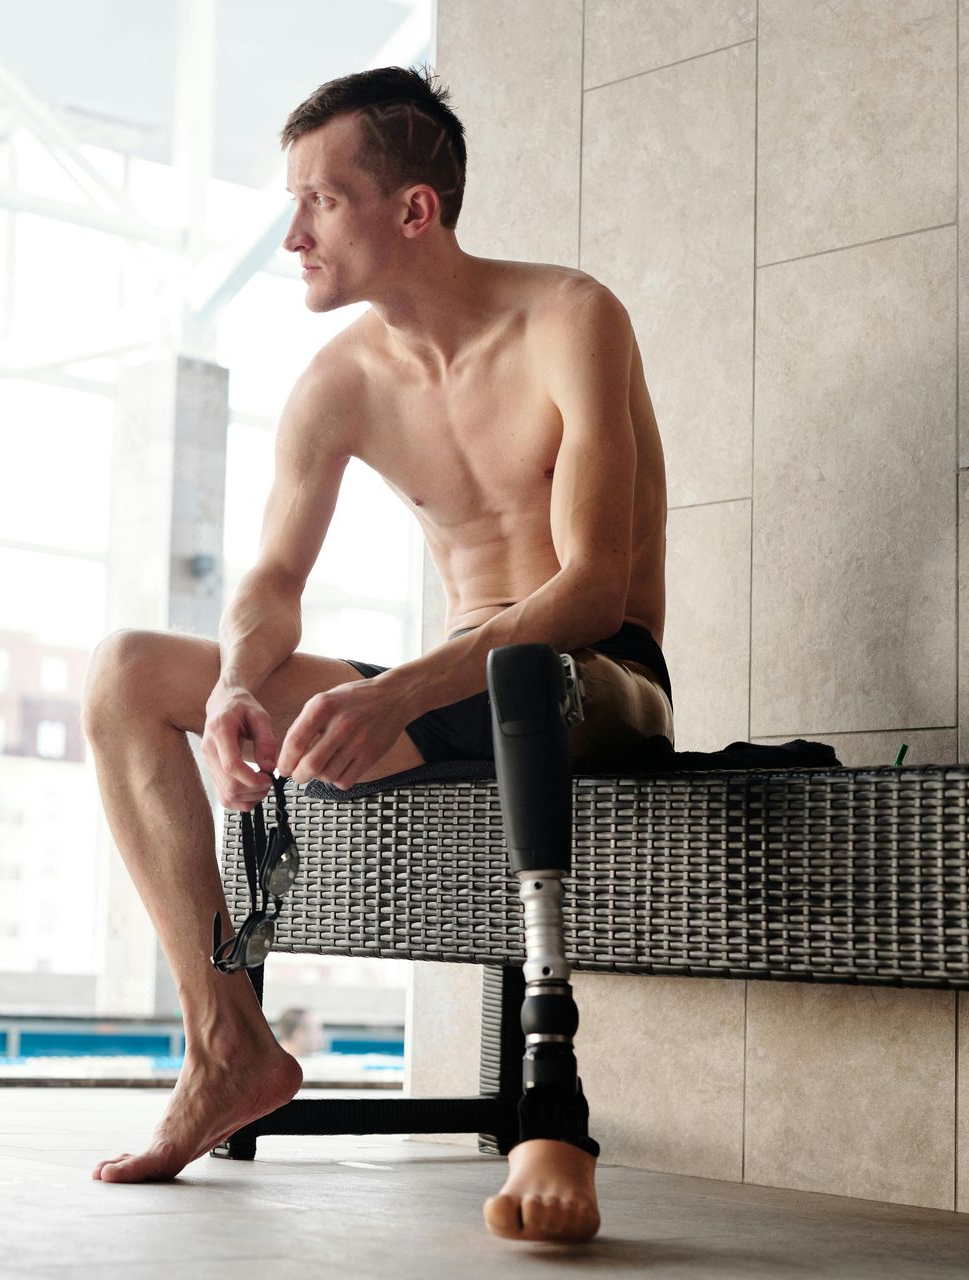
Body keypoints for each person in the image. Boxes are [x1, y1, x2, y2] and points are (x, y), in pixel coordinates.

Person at [82, 65, 677, 1246]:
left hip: (598, 678)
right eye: (289, 203)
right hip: (456, 677)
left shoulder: (570, 317)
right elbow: (270, 583)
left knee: (516, 668)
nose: (292, 232)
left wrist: (400, 687)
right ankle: (226, 1044)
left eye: (322, 200)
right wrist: (240, 684)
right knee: (127, 674)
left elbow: (593, 586)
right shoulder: (341, 380)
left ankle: (553, 1108)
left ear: (415, 209)